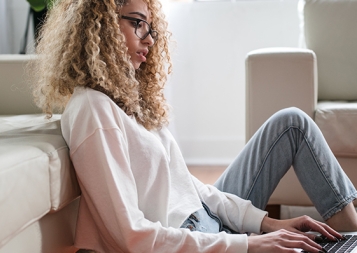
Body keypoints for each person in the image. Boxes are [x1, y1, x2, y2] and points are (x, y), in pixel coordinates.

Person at [30, 0, 357, 252]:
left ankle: (350, 236)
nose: (149, 39)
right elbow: (131, 236)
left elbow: (189, 187)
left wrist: (266, 223)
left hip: (208, 224)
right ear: (99, 24)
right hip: (191, 239)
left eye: (151, 27)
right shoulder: (93, 109)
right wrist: (247, 244)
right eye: (138, 24)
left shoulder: (130, 101)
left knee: (292, 123)